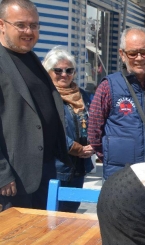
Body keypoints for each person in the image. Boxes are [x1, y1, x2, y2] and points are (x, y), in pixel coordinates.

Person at [0, 0, 72, 211]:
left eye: (34, 25)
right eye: (21, 25)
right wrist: (2, 173)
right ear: (2, 25)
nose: (29, 31)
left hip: (42, 171)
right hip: (13, 179)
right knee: (14, 242)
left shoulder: (32, 59)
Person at [87, 26, 145, 180]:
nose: (139, 58)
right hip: (119, 174)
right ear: (122, 54)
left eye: (144, 52)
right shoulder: (108, 86)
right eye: (133, 53)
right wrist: (111, 154)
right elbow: (94, 131)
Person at [42, 47, 95, 212]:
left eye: (68, 70)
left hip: (79, 167)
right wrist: (74, 148)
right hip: (56, 167)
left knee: (71, 214)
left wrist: (94, 144)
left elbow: (95, 122)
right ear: (48, 72)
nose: (64, 74)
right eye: (58, 70)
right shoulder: (45, 96)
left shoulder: (83, 95)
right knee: (52, 215)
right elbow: (46, 129)